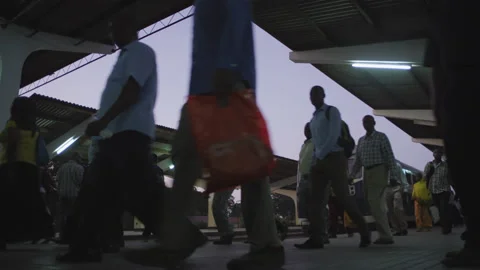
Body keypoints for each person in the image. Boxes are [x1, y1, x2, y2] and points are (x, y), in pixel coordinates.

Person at [131, 1, 285, 269]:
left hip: (226, 82)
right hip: (204, 88)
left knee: (247, 165)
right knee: (187, 154)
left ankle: (266, 246)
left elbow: (237, 12)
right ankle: (176, 240)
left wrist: (226, 65)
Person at [56, 12, 205, 263]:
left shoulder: (140, 52)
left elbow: (132, 91)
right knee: (96, 192)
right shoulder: (125, 56)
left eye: (116, 27)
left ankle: (184, 235)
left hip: (130, 134)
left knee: (140, 193)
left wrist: (102, 121)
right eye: (110, 28)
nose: (112, 33)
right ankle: (85, 246)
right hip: (114, 137)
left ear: (130, 26)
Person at [295, 85, 370, 250]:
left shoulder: (332, 111)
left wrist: (321, 153)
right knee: (315, 202)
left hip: (335, 158)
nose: (313, 97)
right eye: (311, 95)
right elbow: (316, 142)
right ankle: (317, 238)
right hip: (319, 161)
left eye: (316, 94)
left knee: (343, 198)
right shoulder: (314, 119)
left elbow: (334, 135)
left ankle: (365, 233)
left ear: (323, 95)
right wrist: (316, 157)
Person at [0, 97, 54, 250]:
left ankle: (4, 236)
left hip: (12, 165)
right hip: (30, 169)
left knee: (5, 203)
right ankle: (42, 232)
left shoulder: (12, 124)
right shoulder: (34, 129)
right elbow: (37, 153)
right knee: (31, 202)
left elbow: (11, 146)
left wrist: (10, 168)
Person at [350, 115, 398, 245]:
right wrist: (351, 176)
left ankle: (386, 236)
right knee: (374, 204)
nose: (366, 124)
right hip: (367, 172)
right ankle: (385, 233)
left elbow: (389, 157)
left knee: (374, 202)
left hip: (379, 170)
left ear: (374, 123)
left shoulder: (381, 137)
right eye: (364, 122)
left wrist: (393, 175)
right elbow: (358, 161)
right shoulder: (361, 141)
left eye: (369, 121)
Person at [55, 153, 85, 244]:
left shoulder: (62, 167)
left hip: (62, 194)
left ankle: (62, 236)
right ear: (77, 158)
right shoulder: (79, 168)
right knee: (73, 216)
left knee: (62, 216)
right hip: (74, 195)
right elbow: (81, 181)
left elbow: (57, 179)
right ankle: (72, 236)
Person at [424, 148, 451, 235]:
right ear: (433, 154)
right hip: (433, 191)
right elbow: (425, 177)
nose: (437, 154)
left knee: (443, 209)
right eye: (435, 152)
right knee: (440, 210)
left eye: (439, 153)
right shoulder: (429, 165)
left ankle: (445, 228)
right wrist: (429, 173)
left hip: (444, 190)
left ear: (441, 155)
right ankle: (447, 224)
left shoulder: (446, 165)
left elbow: (449, 177)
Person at [384, 162, 408, 236]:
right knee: (390, 210)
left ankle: (403, 227)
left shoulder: (397, 165)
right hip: (387, 188)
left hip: (397, 187)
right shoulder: (382, 166)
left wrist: (405, 189)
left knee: (397, 207)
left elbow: (402, 177)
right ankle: (396, 229)